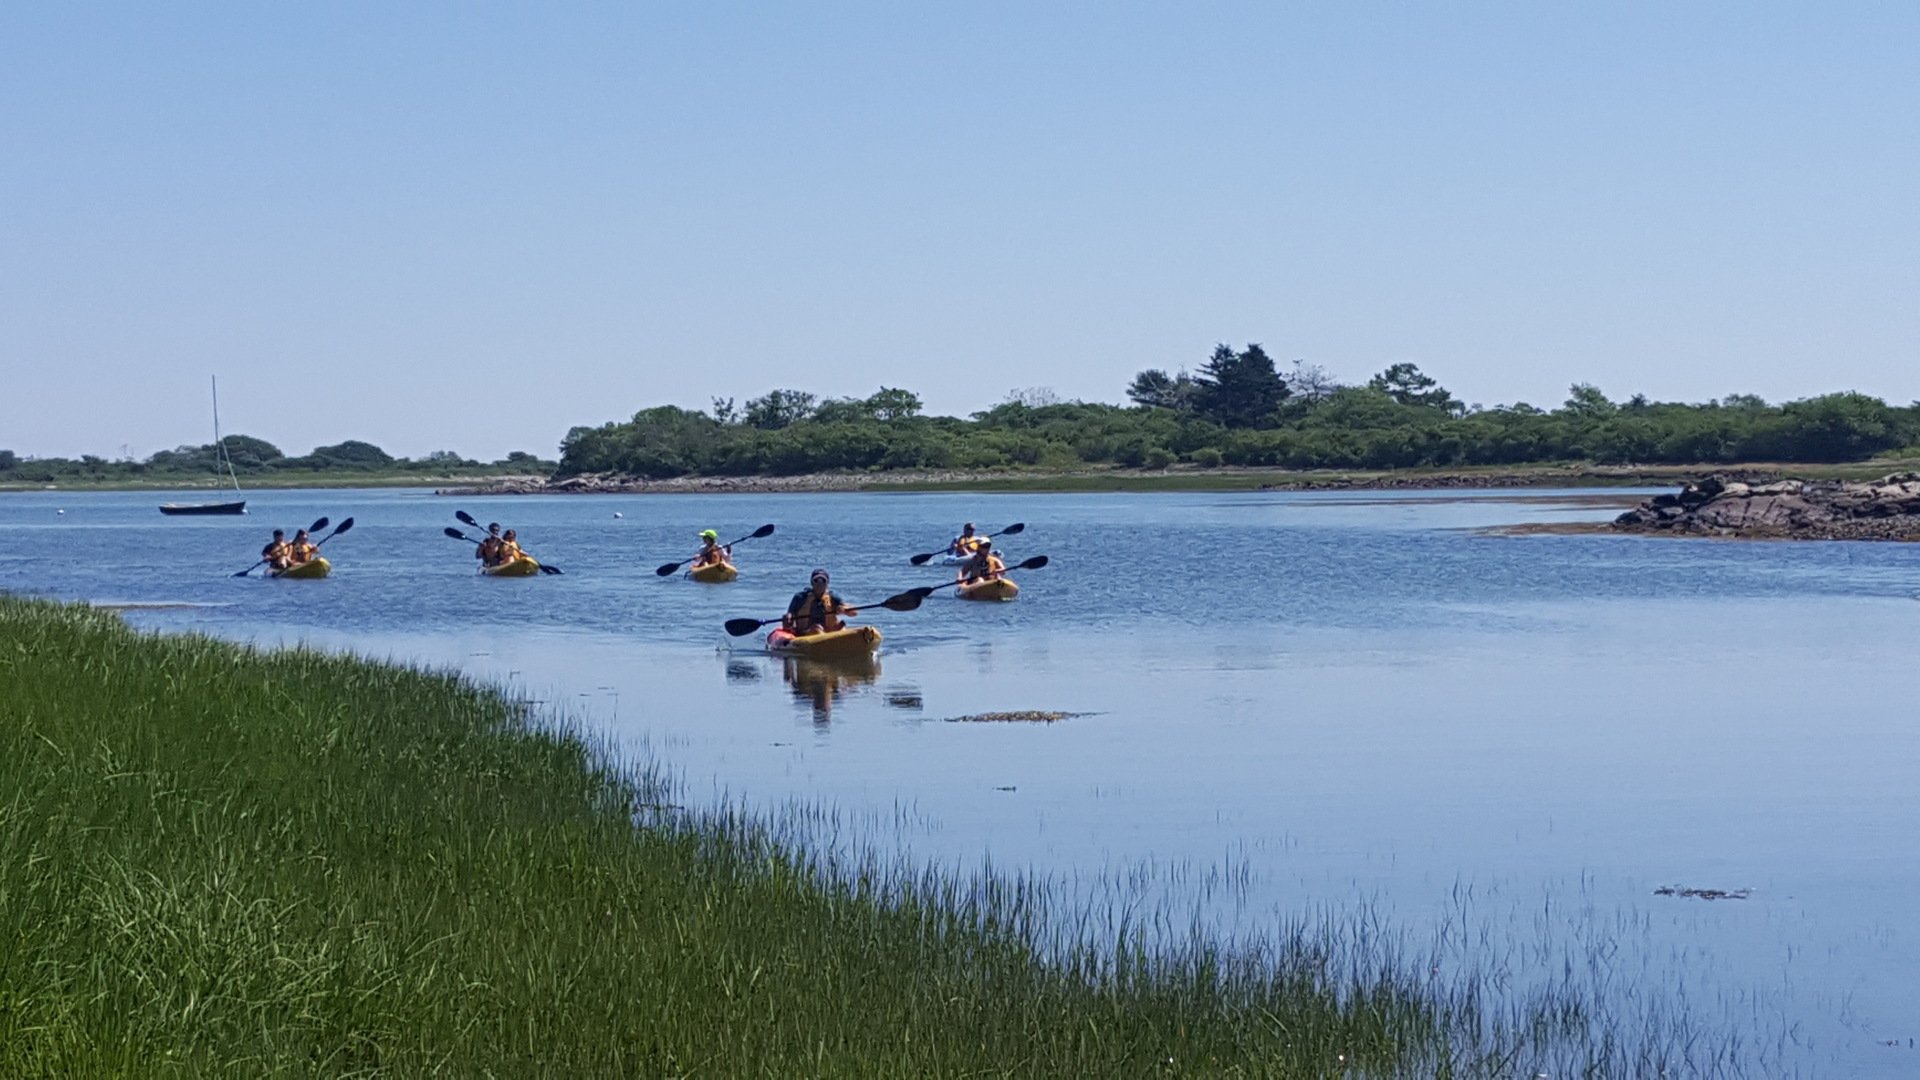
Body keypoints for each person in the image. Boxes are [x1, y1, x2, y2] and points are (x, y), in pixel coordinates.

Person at [784, 569, 858, 636]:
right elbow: (789, 618)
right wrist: (788, 618)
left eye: (823, 581)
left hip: (831, 632)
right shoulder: (800, 598)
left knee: (842, 626)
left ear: (827, 584)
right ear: (811, 583)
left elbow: (854, 613)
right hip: (806, 633)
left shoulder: (832, 597)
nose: (820, 584)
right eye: (816, 581)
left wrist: (844, 610)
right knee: (817, 629)